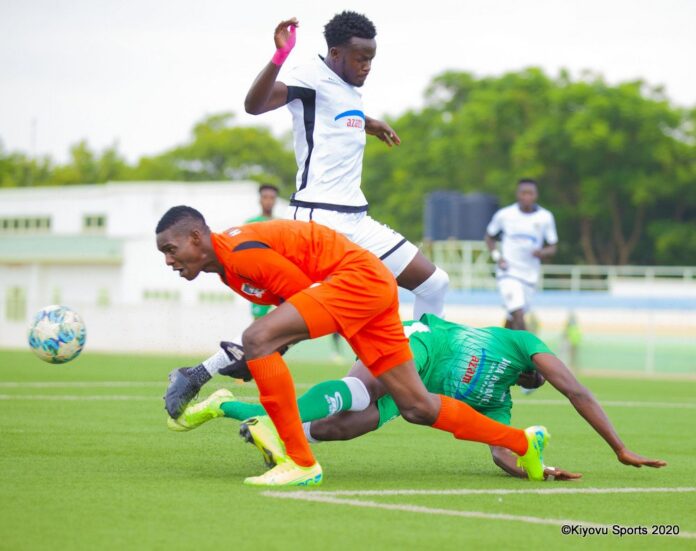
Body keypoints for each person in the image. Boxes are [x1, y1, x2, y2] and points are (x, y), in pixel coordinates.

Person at [156, 206, 548, 486]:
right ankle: (520, 441)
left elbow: (300, 299)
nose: (169, 261)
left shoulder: (242, 253)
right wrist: (269, 346)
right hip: (367, 289)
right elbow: (296, 311)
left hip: (357, 282)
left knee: (257, 338)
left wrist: (238, 358)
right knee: (416, 406)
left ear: (196, 237)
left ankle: (300, 462)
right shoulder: (230, 270)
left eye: (171, 249)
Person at [172, 314, 667, 480]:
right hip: (420, 342)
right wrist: (618, 447)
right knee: (360, 387)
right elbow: (575, 389)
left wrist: (534, 468)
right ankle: (268, 430)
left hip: (413, 394)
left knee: (343, 425)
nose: (550, 375)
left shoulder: (500, 404)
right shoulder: (522, 342)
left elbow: (501, 450)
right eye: (548, 372)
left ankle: (228, 406)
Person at [244, 11, 449, 320]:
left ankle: (421, 361)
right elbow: (254, 105)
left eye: (371, 59)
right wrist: (280, 56)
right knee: (295, 315)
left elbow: (333, 117)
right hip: (318, 219)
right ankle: (211, 364)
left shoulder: (348, 87)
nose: (367, 66)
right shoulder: (309, 77)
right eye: (360, 58)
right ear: (336, 53)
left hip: (357, 221)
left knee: (434, 284)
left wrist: (368, 122)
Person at [485, 179, 558, 330]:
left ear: (536, 195)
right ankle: (526, 352)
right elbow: (489, 236)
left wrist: (542, 252)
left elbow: (553, 246)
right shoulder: (505, 215)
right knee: (518, 314)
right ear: (517, 194)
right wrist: (497, 257)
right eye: (523, 193)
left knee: (513, 316)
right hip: (508, 272)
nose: (526, 197)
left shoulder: (545, 217)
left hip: (530, 275)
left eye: (530, 193)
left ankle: (500, 346)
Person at [245, 184, 279, 319]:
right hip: (259, 280)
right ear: (259, 199)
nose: (268, 200)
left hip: (278, 279)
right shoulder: (250, 224)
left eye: (272, 197)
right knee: (258, 320)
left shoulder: (281, 224)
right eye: (265, 197)